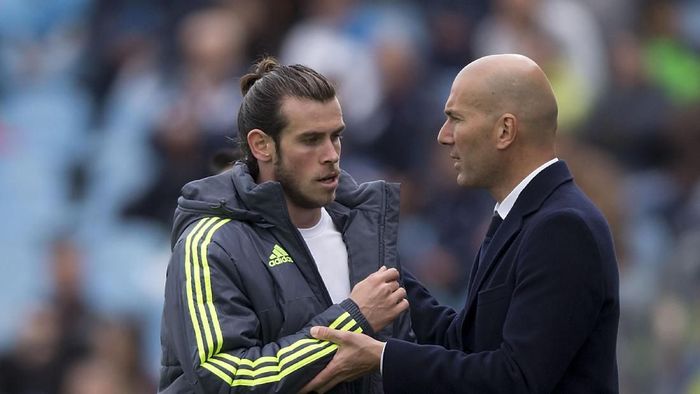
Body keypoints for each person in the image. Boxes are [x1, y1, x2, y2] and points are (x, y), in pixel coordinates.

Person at [303, 54, 620, 393]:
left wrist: (383, 357)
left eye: (456, 119)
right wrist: (373, 262)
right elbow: (463, 343)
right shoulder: (524, 214)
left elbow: (516, 380)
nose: (443, 136)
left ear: (505, 130)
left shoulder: (562, 228)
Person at [158, 57, 412, 393]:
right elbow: (225, 381)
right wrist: (353, 318)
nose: (331, 154)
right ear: (261, 145)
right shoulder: (209, 245)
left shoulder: (366, 226)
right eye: (310, 140)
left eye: (335, 136)